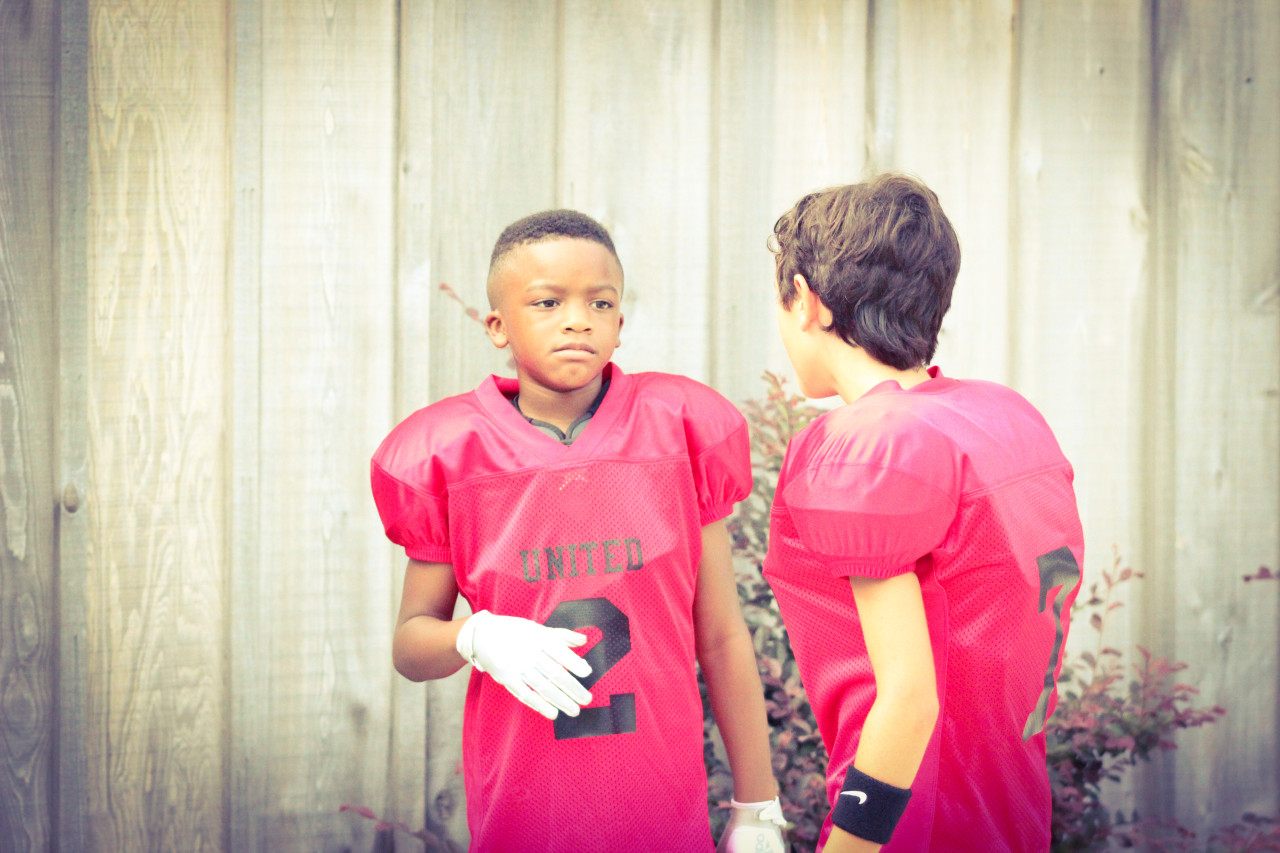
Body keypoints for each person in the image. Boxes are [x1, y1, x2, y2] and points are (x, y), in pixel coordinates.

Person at [370, 210, 786, 852]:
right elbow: (410, 645)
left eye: (600, 301)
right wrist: (476, 636)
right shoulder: (451, 453)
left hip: (662, 809)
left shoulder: (676, 428)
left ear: (620, 325)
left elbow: (724, 636)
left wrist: (757, 807)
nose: (577, 318)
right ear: (497, 326)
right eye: (547, 301)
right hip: (524, 814)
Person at [761, 174, 1085, 852]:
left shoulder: (866, 447)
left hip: (917, 827)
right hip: (1008, 817)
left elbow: (909, 699)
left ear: (807, 302)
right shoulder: (1005, 417)